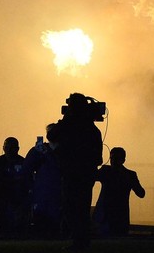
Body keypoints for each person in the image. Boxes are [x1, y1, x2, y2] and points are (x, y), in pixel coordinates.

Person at [49, 93, 104, 249]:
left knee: (71, 207)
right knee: (82, 208)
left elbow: (52, 134)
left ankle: (79, 241)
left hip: (72, 173)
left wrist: (66, 118)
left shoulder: (69, 124)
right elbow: (98, 157)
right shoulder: (92, 129)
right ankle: (82, 241)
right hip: (86, 174)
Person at [93, 147, 145, 236]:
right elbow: (141, 193)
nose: (113, 161)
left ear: (122, 160)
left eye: (115, 158)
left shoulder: (106, 171)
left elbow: (91, 177)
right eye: (112, 158)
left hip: (105, 216)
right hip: (120, 216)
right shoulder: (130, 175)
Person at [24, 125, 62, 238]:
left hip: (59, 192)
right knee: (40, 224)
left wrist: (47, 154)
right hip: (42, 193)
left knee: (56, 224)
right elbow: (26, 168)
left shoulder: (64, 150)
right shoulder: (39, 150)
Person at [0, 136, 32, 237]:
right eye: (7, 147)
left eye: (11, 147)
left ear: (17, 149)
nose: (8, 150)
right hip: (3, 199)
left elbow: (28, 180)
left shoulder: (23, 162)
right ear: (3, 148)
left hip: (18, 199)